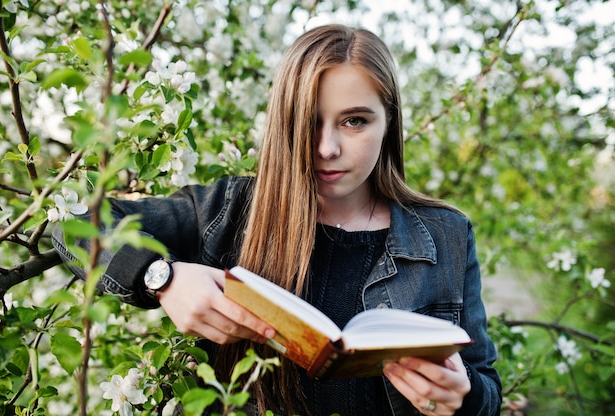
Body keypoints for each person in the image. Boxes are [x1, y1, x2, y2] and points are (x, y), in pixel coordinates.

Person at [53, 24, 501, 416]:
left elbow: (484, 387)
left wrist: (463, 399)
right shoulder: (227, 211)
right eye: (307, 121)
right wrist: (161, 277)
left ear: (389, 123)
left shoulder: (446, 235)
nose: (326, 148)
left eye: (355, 121)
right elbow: (72, 223)